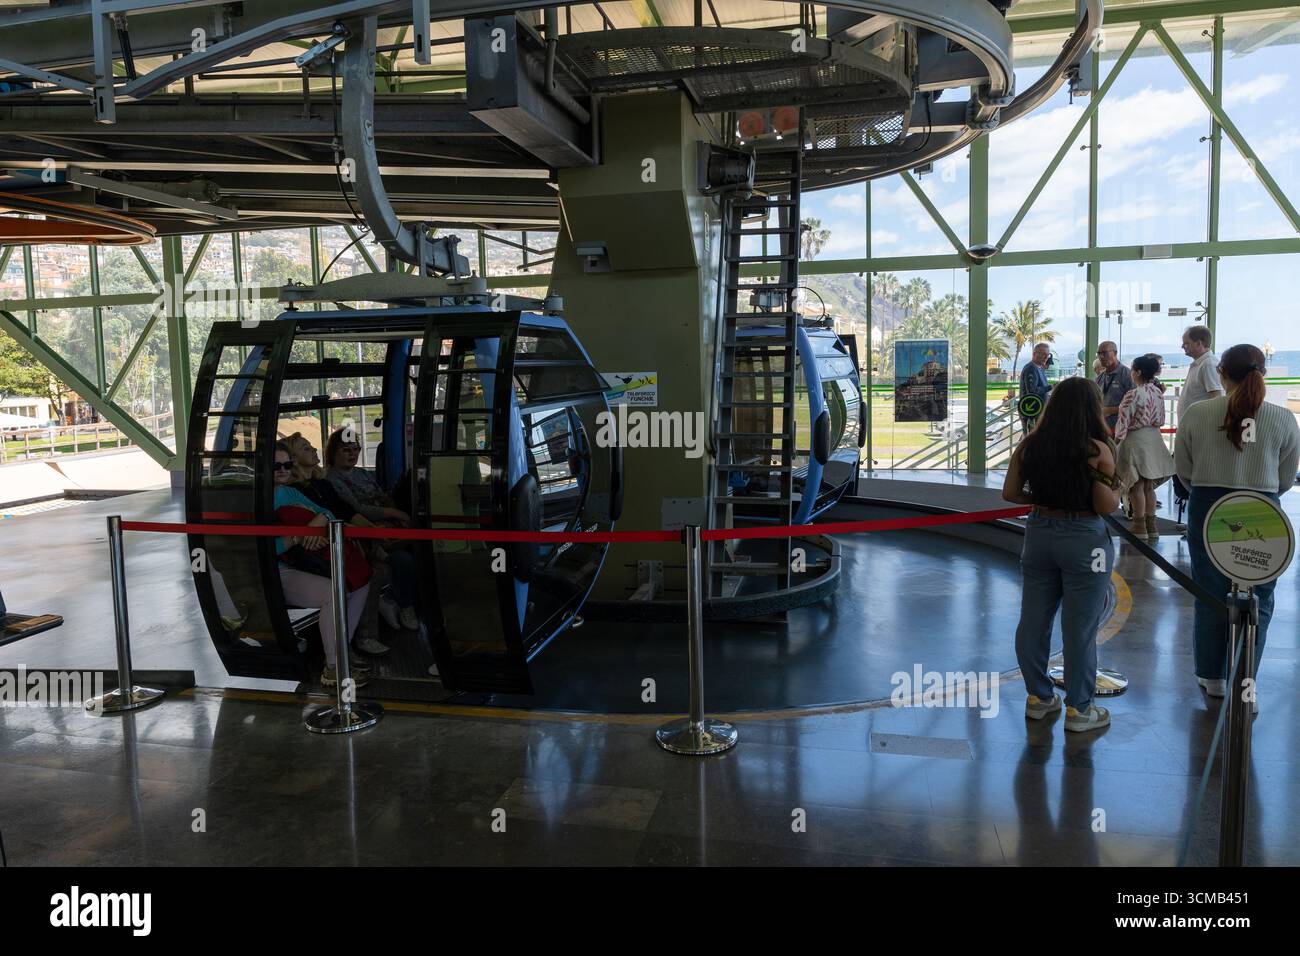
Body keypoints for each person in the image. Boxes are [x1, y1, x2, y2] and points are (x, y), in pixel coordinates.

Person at [1174, 344, 1299, 703]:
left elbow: (1184, 471)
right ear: (1263, 372)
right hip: (1263, 507)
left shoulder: (1198, 413)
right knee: (1259, 597)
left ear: (1222, 374)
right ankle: (1244, 683)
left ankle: (1210, 676)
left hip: (1209, 505)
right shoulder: (1282, 418)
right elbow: (1286, 479)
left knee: (1210, 592)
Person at [1003, 377, 1121, 733]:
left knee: (1033, 620)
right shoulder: (1098, 449)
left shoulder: (1030, 445)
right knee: (1080, 626)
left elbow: (1010, 493)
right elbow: (1104, 505)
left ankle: (1039, 698)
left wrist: (1041, 502)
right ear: (1092, 407)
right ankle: (1079, 710)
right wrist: (1117, 493)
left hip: (1039, 534)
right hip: (1086, 539)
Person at [271, 441, 372, 689]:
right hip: (276, 570)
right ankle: (334, 668)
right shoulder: (257, 499)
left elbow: (326, 512)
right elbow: (262, 549)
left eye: (287, 464)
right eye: (276, 465)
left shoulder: (289, 492)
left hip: (303, 562)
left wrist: (314, 525)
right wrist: (297, 538)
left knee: (360, 582)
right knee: (331, 593)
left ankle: (340, 649)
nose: (283, 470)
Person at [324, 427, 421, 632]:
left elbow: (382, 496)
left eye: (356, 449)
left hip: (386, 526)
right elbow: (356, 509)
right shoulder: (332, 480)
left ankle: (399, 598)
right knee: (403, 560)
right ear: (333, 453)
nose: (353, 454)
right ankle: (405, 606)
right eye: (346, 450)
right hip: (364, 536)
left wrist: (396, 513)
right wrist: (393, 514)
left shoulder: (362, 474)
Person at [1114, 353, 1177, 543]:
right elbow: (1162, 419)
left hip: (1136, 441)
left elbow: (1123, 421)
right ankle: (1152, 527)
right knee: (1149, 487)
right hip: (1153, 439)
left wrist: (1116, 442)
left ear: (1138, 372)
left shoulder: (1133, 393)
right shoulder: (1158, 392)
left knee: (1136, 487)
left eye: (1133, 369)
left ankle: (1139, 525)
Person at [1178, 325, 1223, 421]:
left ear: (1199, 343)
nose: (1182, 346)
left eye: (1186, 343)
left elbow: (1216, 397)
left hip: (1200, 427)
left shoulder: (1208, 364)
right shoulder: (1201, 363)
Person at [1095, 341, 1133, 432]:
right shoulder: (1099, 378)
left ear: (1115, 353)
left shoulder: (1127, 375)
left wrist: (1110, 410)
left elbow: (1135, 403)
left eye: (1104, 353)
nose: (1101, 356)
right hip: (1103, 427)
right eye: (1098, 353)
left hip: (1122, 428)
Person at [1018, 343, 1053, 429]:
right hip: (1033, 412)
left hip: (1038, 411)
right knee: (1033, 438)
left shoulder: (1039, 367)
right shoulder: (1031, 368)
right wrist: (1051, 387)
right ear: (1034, 354)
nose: (1046, 357)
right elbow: (1032, 391)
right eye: (1043, 354)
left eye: (1047, 355)